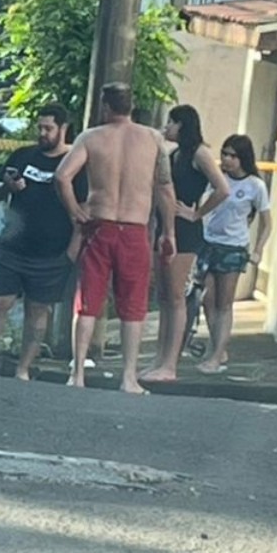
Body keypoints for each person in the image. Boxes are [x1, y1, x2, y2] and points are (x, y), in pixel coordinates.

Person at [55, 82, 176, 395]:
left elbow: (62, 176)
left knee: (88, 302)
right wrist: (169, 231)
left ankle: (78, 373)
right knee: (133, 305)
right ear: (131, 106)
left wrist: (73, 211)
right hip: (135, 228)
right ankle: (128, 378)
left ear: (105, 106)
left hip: (100, 225)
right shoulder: (153, 139)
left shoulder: (91, 137)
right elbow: (164, 187)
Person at [0, 102, 82, 381]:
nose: (42, 133)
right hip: (14, 244)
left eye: (48, 128)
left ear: (62, 129)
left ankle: (23, 368)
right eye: (39, 127)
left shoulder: (75, 164)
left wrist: (72, 252)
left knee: (38, 309)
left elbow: (84, 209)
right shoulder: (23, 156)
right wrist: (7, 185)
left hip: (52, 251)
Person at [140, 104, 230, 383]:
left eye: (172, 122)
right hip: (165, 227)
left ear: (183, 125)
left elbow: (222, 188)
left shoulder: (199, 153)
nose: (167, 127)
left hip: (185, 230)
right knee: (164, 297)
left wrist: (196, 213)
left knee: (177, 296)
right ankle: (159, 358)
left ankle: (170, 364)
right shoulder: (174, 154)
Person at [196, 133, 271, 375]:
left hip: (233, 246)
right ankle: (218, 344)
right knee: (207, 298)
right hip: (209, 242)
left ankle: (217, 355)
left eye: (233, 156)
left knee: (224, 303)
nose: (227, 160)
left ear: (243, 158)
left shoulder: (255, 186)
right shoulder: (217, 178)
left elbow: (267, 221)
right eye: (224, 154)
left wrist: (258, 250)